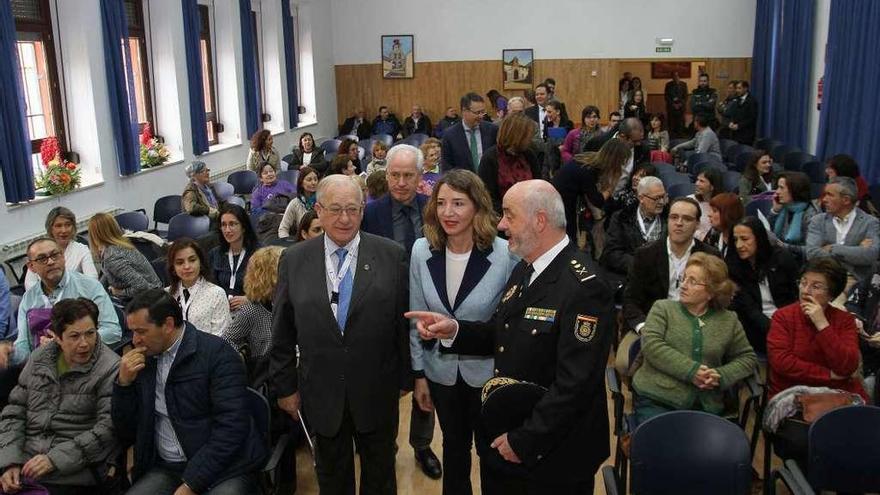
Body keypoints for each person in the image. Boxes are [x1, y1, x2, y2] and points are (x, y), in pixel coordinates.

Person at [407, 180, 614, 495]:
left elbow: (575, 384)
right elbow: (502, 331)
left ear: (539, 221)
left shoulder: (584, 286)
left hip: (553, 453)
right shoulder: (528, 269)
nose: (501, 225)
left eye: (509, 215)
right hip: (515, 436)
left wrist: (524, 440)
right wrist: (455, 329)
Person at [270, 175, 412, 494]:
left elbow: (402, 325)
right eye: (335, 209)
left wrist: (407, 378)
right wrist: (285, 388)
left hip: (377, 391)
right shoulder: (293, 260)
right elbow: (281, 331)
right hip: (321, 392)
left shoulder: (392, 255)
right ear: (318, 210)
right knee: (333, 478)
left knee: (380, 476)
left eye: (353, 208)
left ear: (363, 209)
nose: (345, 218)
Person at [408, 170, 517, 495]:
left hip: (487, 375)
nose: (448, 212)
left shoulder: (504, 254)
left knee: (492, 455)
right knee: (454, 452)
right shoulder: (420, 250)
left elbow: (508, 324)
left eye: (458, 203)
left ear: (477, 207)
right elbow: (414, 317)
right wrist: (419, 375)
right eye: (441, 203)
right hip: (439, 373)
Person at [114, 289, 266, 494]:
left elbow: (232, 428)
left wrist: (192, 483)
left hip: (226, 468)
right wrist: (123, 385)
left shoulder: (218, 355)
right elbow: (126, 430)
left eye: (141, 331)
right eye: (132, 331)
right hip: (168, 468)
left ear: (168, 325)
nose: (135, 340)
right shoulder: (144, 362)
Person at [360, 145, 440, 478]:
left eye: (409, 175)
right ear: (386, 174)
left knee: (427, 380)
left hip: (427, 310)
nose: (401, 182)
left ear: (421, 177)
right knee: (386, 385)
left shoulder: (433, 211)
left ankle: (422, 445)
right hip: (384, 313)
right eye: (395, 175)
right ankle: (385, 446)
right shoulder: (371, 213)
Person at [0, 298, 120, 494]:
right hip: (25, 459)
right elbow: (15, 412)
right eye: (74, 336)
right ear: (56, 337)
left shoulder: (110, 367)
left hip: (73, 469)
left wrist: (54, 460)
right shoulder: (40, 358)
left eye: (90, 334)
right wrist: (9, 462)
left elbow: (107, 429)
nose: (84, 343)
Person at [632, 252, 757, 424]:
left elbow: (747, 359)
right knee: (664, 446)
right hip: (657, 399)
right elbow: (652, 346)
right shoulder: (663, 309)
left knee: (711, 449)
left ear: (712, 292)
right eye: (683, 279)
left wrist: (720, 375)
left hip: (706, 405)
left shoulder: (729, 320)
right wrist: (691, 371)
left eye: (692, 281)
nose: (683, 285)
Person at [9, 238, 121, 367]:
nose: (50, 262)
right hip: (45, 369)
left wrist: (68, 344)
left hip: (87, 364)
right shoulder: (28, 299)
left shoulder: (89, 287)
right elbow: (23, 346)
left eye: (55, 255)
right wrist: (10, 353)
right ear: (31, 267)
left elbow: (113, 332)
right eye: (42, 259)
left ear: (63, 257)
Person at [767, 257, 868, 400]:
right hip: (794, 395)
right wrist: (828, 375)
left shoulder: (845, 320)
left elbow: (848, 366)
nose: (805, 291)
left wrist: (822, 324)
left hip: (838, 396)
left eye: (816, 286)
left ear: (831, 294)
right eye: (803, 282)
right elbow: (782, 363)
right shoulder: (783, 317)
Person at [622, 197, 721, 335]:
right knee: (625, 356)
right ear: (667, 220)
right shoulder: (645, 255)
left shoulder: (711, 256)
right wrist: (644, 327)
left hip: (696, 329)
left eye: (686, 219)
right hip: (652, 326)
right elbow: (631, 299)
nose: (679, 223)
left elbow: (717, 301)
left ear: (697, 224)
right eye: (674, 217)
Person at [728, 217, 799, 353]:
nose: (739, 245)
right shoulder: (733, 267)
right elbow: (750, 310)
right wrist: (776, 330)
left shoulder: (782, 258)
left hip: (787, 319)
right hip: (755, 325)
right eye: (735, 240)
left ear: (759, 238)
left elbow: (794, 295)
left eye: (745, 239)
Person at [553, 138, 630, 243]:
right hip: (562, 204)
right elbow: (597, 201)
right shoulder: (588, 170)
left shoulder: (588, 158)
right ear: (615, 160)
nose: (622, 165)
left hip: (558, 197)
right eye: (622, 162)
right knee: (568, 238)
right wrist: (612, 185)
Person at [806, 176, 880, 285]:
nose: (824, 199)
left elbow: (870, 255)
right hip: (822, 277)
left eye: (829, 195)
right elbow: (812, 254)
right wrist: (856, 250)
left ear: (846, 200)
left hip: (854, 280)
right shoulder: (818, 221)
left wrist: (832, 248)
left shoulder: (870, 223)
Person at [222, 246, 283, 377]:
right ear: (271, 276)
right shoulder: (250, 311)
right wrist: (244, 358)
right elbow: (227, 341)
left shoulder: (293, 304)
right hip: (267, 380)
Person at [601, 176, 668, 276]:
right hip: (626, 278)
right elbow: (612, 253)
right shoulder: (621, 218)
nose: (661, 202)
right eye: (656, 198)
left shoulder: (669, 219)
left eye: (663, 197)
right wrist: (641, 265)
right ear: (641, 198)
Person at [87, 212, 162, 302]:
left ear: (94, 235)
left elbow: (141, 286)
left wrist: (119, 292)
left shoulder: (112, 256)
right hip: (154, 292)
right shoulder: (121, 243)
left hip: (150, 299)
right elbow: (107, 274)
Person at [165, 238, 230, 336]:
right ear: (173, 268)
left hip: (207, 350)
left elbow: (221, 337)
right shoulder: (166, 295)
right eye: (180, 262)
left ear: (201, 263)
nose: (187, 266)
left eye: (192, 260)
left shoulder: (216, 294)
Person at [479, 114, 541, 215]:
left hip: (529, 214)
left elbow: (538, 185)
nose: (530, 139)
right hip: (501, 217)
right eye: (528, 135)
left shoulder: (529, 154)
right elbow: (487, 197)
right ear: (518, 136)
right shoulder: (490, 158)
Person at [24, 207, 98, 290]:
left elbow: (92, 280)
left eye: (68, 225)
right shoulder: (39, 250)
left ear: (73, 227)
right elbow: (30, 284)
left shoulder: (82, 249)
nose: (64, 230)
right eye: (58, 226)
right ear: (50, 228)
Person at [208, 204, 259, 310]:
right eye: (223, 225)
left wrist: (250, 299)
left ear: (243, 227)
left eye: (232, 224)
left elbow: (269, 289)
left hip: (251, 310)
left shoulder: (258, 254)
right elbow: (210, 286)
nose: (227, 230)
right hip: (221, 309)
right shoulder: (215, 253)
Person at [441, 93, 499, 172]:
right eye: (477, 113)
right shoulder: (449, 135)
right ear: (464, 111)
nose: (481, 116)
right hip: (462, 182)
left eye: (483, 112)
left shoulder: (492, 130)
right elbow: (447, 167)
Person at [767, 171, 818, 261]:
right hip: (779, 256)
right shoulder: (784, 207)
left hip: (799, 261)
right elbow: (770, 231)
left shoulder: (811, 215)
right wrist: (775, 211)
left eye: (781, 188)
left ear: (795, 190)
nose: (777, 192)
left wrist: (784, 246)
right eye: (778, 187)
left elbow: (811, 250)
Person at [278, 165, 319, 239]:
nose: (313, 183)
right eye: (309, 180)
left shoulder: (323, 201)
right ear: (301, 183)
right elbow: (283, 229)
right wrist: (287, 245)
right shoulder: (295, 203)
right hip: (302, 243)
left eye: (315, 179)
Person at [704, 192, 745, 258]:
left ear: (728, 214)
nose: (709, 214)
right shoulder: (713, 233)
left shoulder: (740, 239)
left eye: (714, 211)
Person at [689, 167, 724, 241]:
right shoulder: (690, 201)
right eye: (697, 180)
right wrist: (702, 237)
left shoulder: (723, 204)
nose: (697, 183)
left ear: (712, 187)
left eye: (702, 181)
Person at [727, 80, 758, 145]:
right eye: (736, 88)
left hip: (746, 135)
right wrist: (731, 122)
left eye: (739, 88)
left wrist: (739, 125)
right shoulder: (737, 99)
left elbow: (752, 118)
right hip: (735, 134)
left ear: (745, 88)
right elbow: (733, 113)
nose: (737, 90)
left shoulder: (752, 101)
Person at [664, 72, 688, 137]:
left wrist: (680, 104)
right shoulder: (668, 85)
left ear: (679, 76)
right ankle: (672, 136)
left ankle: (680, 135)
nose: (675, 77)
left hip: (681, 108)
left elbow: (685, 97)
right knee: (671, 123)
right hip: (671, 108)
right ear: (672, 77)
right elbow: (666, 96)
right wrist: (673, 104)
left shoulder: (684, 84)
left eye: (677, 75)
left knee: (680, 123)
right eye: (674, 76)